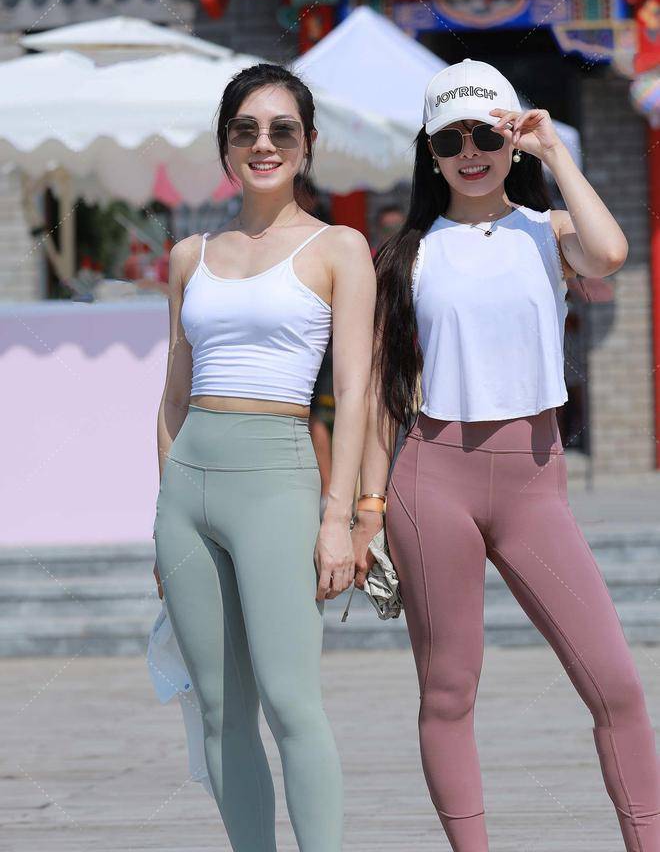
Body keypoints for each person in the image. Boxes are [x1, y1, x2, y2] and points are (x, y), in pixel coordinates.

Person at [351, 58, 660, 851]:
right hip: (432, 479)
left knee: (618, 686)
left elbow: (611, 252)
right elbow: (382, 397)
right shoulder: (407, 255)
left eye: (487, 136)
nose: (471, 152)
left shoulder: (546, 232)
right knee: (448, 693)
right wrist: (366, 511)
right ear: (429, 152)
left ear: (511, 140)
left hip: (534, 487)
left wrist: (554, 153)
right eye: (450, 139)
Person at [153, 62, 375, 852]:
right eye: (245, 129)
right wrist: (163, 512)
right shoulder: (189, 255)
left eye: (282, 129)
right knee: (219, 709)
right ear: (225, 145)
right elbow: (173, 396)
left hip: (279, 482)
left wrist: (339, 518)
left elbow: (354, 393)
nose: (264, 143)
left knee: (291, 702)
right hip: (187, 493)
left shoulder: (339, 246)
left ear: (308, 144)